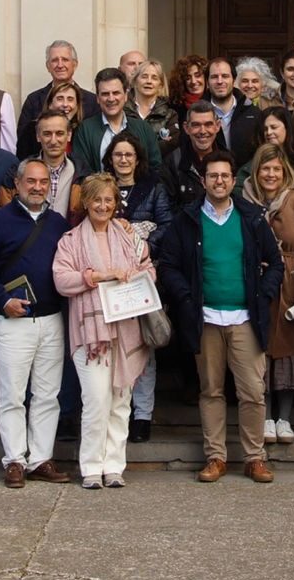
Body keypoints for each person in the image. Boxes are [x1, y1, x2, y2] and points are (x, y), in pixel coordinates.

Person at [155, 151, 284, 484]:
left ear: (233, 180)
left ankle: (254, 458)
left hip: (245, 319)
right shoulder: (187, 220)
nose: (219, 181)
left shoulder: (251, 218)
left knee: (252, 391)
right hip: (206, 319)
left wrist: (264, 293)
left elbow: (276, 263)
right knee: (211, 391)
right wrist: (186, 298)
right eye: (213, 175)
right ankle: (216, 457)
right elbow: (167, 265)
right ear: (203, 180)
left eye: (225, 175)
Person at [0, 159, 73, 487]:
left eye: (43, 182)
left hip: (51, 319)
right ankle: (14, 459)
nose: (37, 187)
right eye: (31, 181)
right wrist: (2, 299)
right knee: (12, 395)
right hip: (13, 320)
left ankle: (40, 458)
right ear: (17, 184)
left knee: (47, 394)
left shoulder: (58, 224)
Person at [51, 173, 155, 488]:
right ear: (85, 202)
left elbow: (149, 269)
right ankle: (92, 468)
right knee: (96, 401)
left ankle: (114, 467)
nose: (103, 205)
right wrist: (96, 276)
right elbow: (61, 280)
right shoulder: (70, 240)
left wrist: (136, 277)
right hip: (90, 336)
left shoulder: (129, 236)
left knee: (121, 402)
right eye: (96, 199)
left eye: (109, 200)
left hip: (126, 330)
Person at [245, 144, 294, 446]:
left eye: (276, 168)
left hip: (291, 281)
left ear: (285, 171)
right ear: (256, 171)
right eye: (265, 168)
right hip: (257, 282)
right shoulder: (245, 201)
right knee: (259, 348)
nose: (271, 174)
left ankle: (284, 417)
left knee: (288, 348)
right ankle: (264, 417)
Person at [104, 133, 169, 441]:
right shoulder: (102, 188)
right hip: (109, 278)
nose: (123, 160)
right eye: (118, 154)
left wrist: (144, 241)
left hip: (143, 278)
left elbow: (167, 225)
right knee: (114, 349)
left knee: (144, 347)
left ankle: (142, 415)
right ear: (110, 158)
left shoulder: (153, 188)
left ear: (138, 159)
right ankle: (118, 411)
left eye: (129, 154)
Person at [72, 67, 162, 183]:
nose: (111, 99)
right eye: (105, 94)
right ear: (98, 98)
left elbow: (155, 168)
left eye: (116, 93)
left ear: (125, 95)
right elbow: (82, 172)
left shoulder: (143, 128)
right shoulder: (85, 130)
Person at [16, 41, 96, 157]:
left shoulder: (92, 101)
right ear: (48, 66)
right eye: (54, 60)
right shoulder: (33, 100)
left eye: (65, 60)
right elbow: (23, 144)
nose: (60, 65)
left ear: (75, 64)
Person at [127, 59, 177, 149]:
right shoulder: (123, 111)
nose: (149, 81)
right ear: (135, 82)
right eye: (144, 77)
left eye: (154, 78)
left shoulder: (170, 114)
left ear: (160, 85)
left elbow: (170, 144)